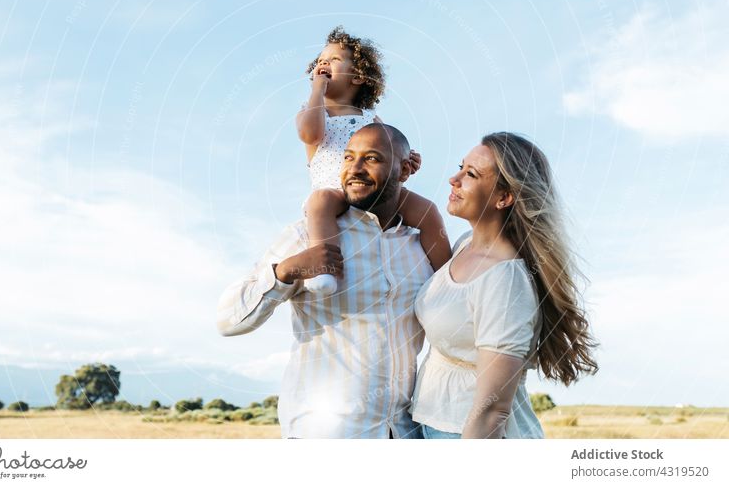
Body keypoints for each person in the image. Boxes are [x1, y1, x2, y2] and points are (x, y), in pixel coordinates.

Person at [217, 124, 435, 439]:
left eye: (371, 159)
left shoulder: (418, 246)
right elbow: (227, 321)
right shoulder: (306, 235)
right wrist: (285, 271)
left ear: (404, 170)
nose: (355, 169)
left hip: (400, 432)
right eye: (348, 158)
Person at [410, 132, 599, 439]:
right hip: (434, 425)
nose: (453, 179)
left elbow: (492, 411)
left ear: (504, 197)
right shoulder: (463, 245)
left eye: (470, 174)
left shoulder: (504, 279)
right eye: (461, 167)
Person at [297, 26, 451, 295]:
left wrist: (407, 160)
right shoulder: (313, 111)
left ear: (357, 77)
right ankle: (323, 268)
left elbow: (390, 150)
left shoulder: (371, 118)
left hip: (376, 190)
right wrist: (317, 91)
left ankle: (447, 279)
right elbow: (311, 133)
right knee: (318, 204)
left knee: (428, 212)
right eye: (321, 59)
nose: (323, 62)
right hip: (335, 190)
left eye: (333, 59)